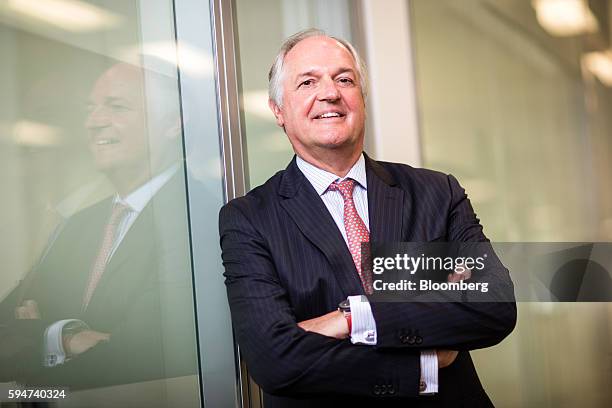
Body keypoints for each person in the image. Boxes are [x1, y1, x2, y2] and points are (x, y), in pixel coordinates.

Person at [219, 29, 516, 407]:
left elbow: (495, 307)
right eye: (307, 82)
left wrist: (349, 318)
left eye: (344, 79)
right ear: (278, 110)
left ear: (361, 98)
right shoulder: (249, 219)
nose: (330, 93)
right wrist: (424, 364)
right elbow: (275, 360)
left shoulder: (436, 193)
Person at [0, 62, 199, 389]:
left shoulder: (198, 215)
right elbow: (5, 328)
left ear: (173, 123)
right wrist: (64, 337)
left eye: (116, 107)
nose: (94, 122)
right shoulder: (76, 225)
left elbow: (145, 356)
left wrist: (39, 337)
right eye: (90, 109)